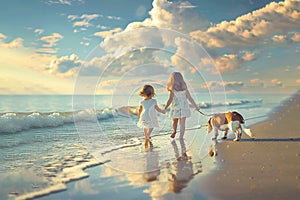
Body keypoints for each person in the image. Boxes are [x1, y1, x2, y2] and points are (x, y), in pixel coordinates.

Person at [164, 72, 200, 138]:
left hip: (176, 108)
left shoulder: (173, 89)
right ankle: (181, 136)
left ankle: (174, 131)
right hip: (184, 108)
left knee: (175, 121)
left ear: (172, 80)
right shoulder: (184, 89)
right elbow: (190, 98)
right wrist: (196, 106)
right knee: (182, 123)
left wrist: (165, 107)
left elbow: (170, 100)